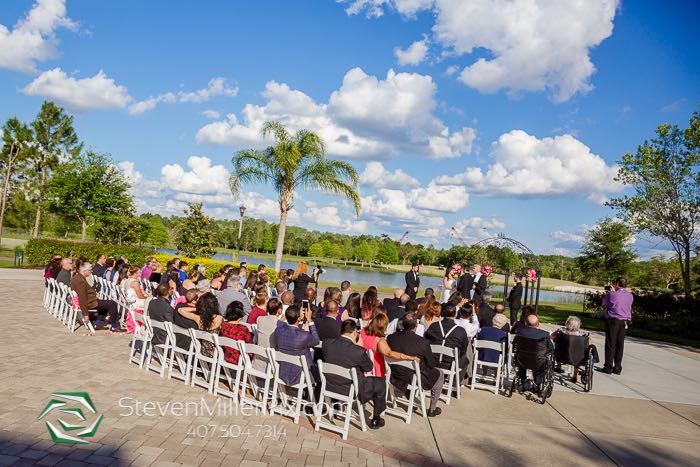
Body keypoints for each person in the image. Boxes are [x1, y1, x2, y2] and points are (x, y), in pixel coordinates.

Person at [321, 320, 388, 429]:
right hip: (351, 389)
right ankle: (376, 418)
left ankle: (337, 406)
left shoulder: (326, 343)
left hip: (329, 385)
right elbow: (369, 367)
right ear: (353, 332)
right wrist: (361, 348)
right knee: (381, 383)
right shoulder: (358, 351)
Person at [387, 313, 444, 417]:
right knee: (440, 374)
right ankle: (432, 409)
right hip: (413, 377)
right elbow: (431, 364)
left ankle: (412, 397)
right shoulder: (423, 342)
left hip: (395, 374)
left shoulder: (391, 338)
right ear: (416, 326)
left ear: (402, 324)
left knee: (415, 371)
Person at [272, 304, 319, 385]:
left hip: (283, 371)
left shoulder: (278, 331)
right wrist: (310, 320)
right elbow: (316, 341)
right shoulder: (304, 336)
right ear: (298, 318)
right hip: (301, 375)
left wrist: (299, 319)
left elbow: (287, 328)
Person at [70, 262, 122, 332]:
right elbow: (82, 298)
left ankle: (98, 323)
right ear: (85, 271)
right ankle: (114, 325)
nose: (92, 271)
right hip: (89, 303)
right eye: (90, 270)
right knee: (112, 303)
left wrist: (94, 294)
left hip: (90, 300)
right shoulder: (80, 281)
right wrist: (86, 314)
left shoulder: (77, 277)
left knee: (105, 303)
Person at [425, 303, 470, 379]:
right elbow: (463, 350)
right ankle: (455, 386)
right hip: (449, 363)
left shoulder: (433, 326)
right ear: (455, 315)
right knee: (465, 360)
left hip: (432, 360)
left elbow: (426, 340)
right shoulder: (461, 330)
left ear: (442, 313)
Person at [601, 277, 633, 375]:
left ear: (617, 284)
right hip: (624, 322)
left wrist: (609, 293)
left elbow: (604, 305)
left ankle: (608, 366)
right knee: (620, 344)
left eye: (615, 283)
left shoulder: (611, 294)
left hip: (613, 320)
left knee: (611, 343)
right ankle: (617, 367)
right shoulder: (630, 295)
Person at [514, 314, 554, 391]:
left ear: (525, 323)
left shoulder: (519, 332)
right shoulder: (544, 334)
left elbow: (515, 345)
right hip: (538, 361)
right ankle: (537, 383)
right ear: (538, 324)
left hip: (521, 360)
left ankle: (523, 380)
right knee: (542, 361)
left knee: (523, 358)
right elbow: (551, 349)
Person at [176, 292, 223, 357]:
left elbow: (180, 310)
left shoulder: (198, 318)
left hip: (202, 352)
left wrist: (198, 309)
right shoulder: (219, 318)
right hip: (215, 353)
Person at [551, 315, 587, 382]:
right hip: (576, 357)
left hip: (561, 355)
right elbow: (588, 343)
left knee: (558, 345)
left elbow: (552, 336)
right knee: (578, 353)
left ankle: (558, 366)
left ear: (567, 323)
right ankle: (575, 376)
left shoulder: (561, 331)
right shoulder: (582, 334)